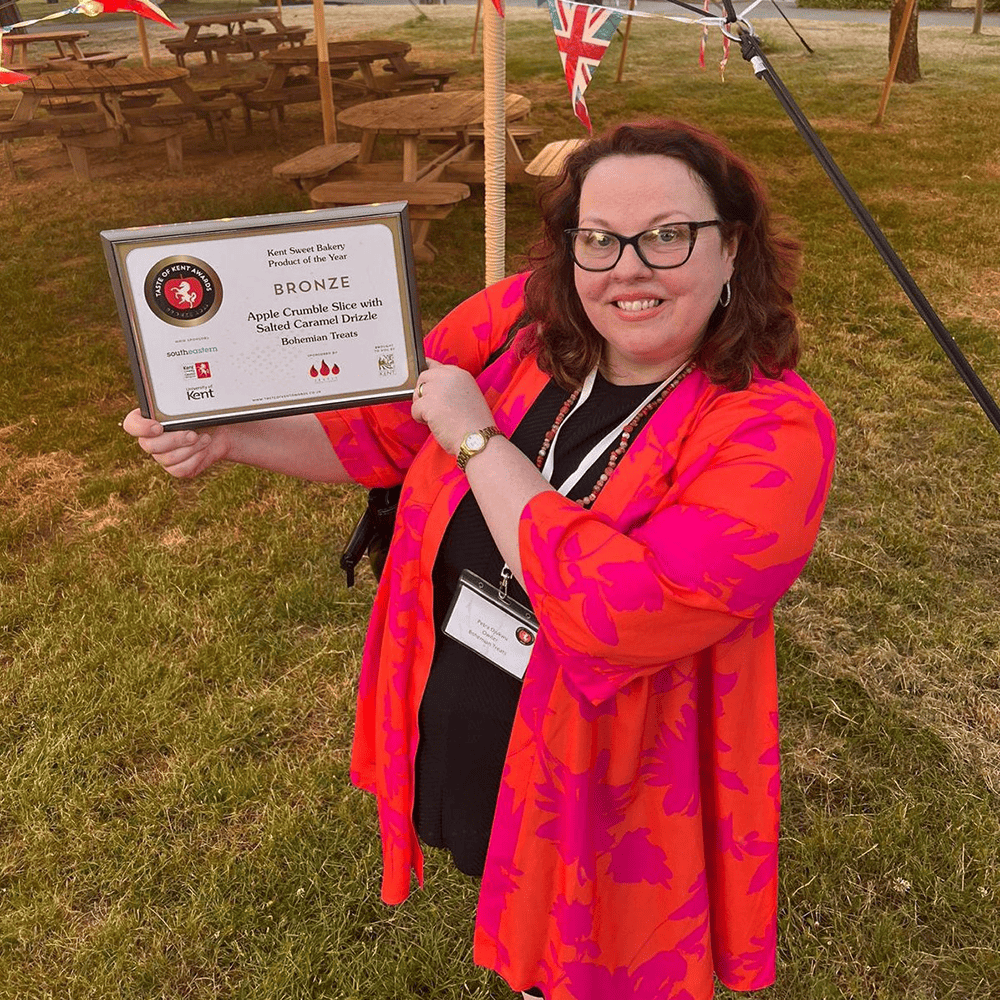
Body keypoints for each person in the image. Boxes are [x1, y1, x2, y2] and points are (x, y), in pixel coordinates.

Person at [124, 119, 836, 1000]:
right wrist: (227, 436)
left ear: (732, 249)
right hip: (476, 714)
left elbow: (624, 614)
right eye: (599, 239)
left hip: (613, 782)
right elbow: (380, 433)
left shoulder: (772, 429)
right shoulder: (516, 327)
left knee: (584, 956)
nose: (629, 268)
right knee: (516, 920)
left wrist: (477, 442)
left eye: (668, 235)